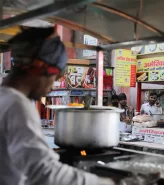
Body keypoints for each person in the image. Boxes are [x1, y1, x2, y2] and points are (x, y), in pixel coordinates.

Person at [0, 27, 143, 185]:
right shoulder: (17, 105)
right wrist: (113, 183)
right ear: (41, 67)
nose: (52, 87)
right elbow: (45, 174)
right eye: (56, 77)